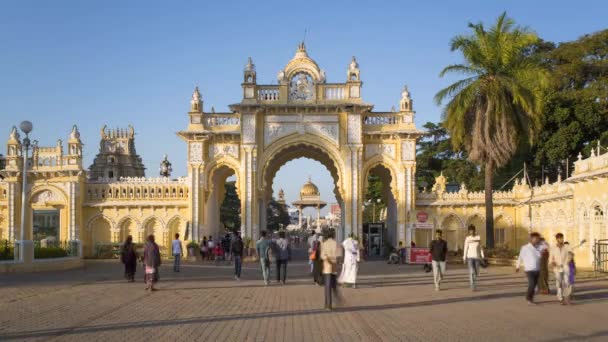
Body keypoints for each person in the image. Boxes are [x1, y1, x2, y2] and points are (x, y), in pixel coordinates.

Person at [516, 232, 542, 305]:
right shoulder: (525, 248)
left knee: (534, 285)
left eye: (538, 239)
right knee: (532, 284)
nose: (537, 240)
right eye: (535, 238)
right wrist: (517, 266)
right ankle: (528, 298)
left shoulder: (538, 248)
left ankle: (531, 298)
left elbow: (539, 257)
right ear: (531, 239)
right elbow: (520, 257)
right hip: (529, 269)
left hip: (537, 269)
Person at [321, 229, 341, 310]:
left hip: (327, 267)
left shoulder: (324, 243)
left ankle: (328, 305)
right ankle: (335, 300)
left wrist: (328, 259)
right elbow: (339, 256)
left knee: (327, 286)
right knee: (334, 285)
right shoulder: (337, 244)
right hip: (334, 267)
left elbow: (322, 256)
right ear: (333, 235)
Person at [550, 233, 572, 305]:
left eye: (562, 238)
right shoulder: (553, 248)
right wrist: (555, 264)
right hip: (557, 268)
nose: (561, 239)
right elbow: (551, 260)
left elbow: (571, 254)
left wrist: (569, 259)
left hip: (565, 266)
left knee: (566, 282)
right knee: (559, 282)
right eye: (559, 238)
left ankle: (566, 298)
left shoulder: (566, 246)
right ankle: (559, 296)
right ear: (557, 239)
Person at [463, 225, 484, 291]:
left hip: (477, 257)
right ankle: (472, 285)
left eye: (472, 230)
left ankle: (473, 283)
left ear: (474, 230)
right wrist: (464, 257)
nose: (471, 232)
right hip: (470, 257)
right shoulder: (467, 238)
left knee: (476, 272)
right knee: (472, 271)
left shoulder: (478, 237)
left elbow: (480, 248)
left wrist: (483, 256)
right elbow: (465, 248)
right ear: (469, 231)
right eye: (470, 231)